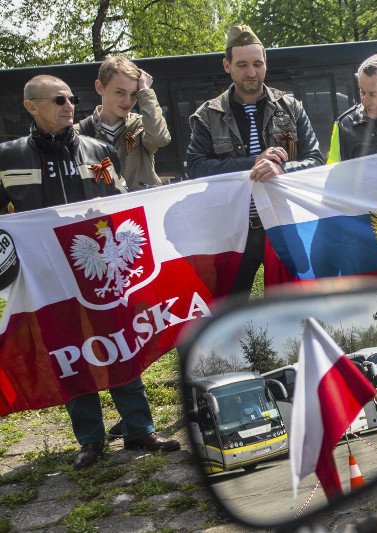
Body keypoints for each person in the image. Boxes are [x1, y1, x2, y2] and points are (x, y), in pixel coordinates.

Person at [0, 75, 180, 469]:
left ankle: (140, 429)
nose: (69, 105)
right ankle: (90, 440)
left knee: (119, 343)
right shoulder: (7, 158)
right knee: (70, 355)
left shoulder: (98, 150)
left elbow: (118, 203)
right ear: (31, 106)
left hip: (100, 273)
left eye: (72, 99)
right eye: (58, 100)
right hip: (47, 278)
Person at [185, 25, 324, 296]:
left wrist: (282, 168)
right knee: (228, 307)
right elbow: (196, 167)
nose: (251, 73)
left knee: (290, 307)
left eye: (257, 64)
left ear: (266, 63)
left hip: (284, 224)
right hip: (233, 231)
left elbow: (316, 160)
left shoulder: (292, 107)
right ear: (227, 65)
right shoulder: (208, 115)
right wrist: (253, 162)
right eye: (242, 65)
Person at [76, 56, 171, 191]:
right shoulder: (78, 133)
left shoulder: (140, 125)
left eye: (134, 94)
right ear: (99, 87)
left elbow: (159, 139)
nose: (127, 101)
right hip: (102, 204)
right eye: (120, 92)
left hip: (141, 202)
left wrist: (145, 90)